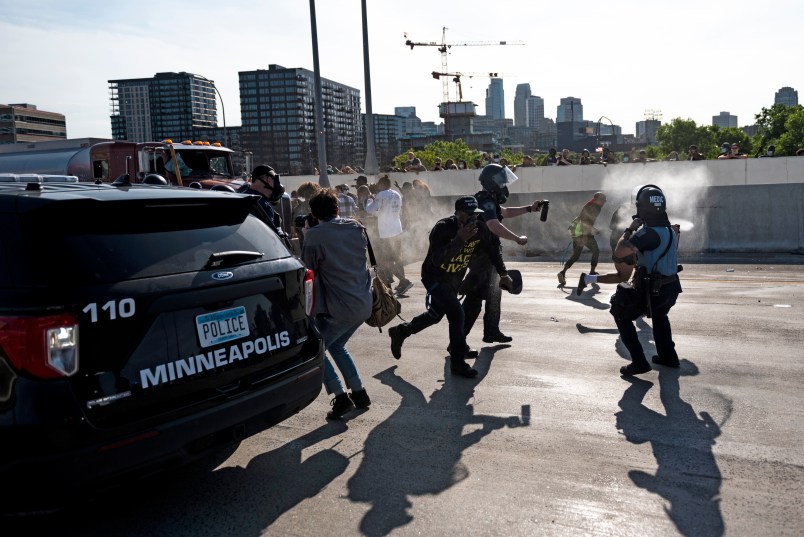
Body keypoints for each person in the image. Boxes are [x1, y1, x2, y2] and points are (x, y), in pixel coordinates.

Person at [387, 197, 514, 378]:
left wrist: (503, 273)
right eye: (469, 215)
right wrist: (459, 240)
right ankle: (458, 363)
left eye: (476, 215)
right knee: (457, 313)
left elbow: (493, 250)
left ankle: (401, 331)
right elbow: (438, 260)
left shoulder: (480, 228)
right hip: (435, 278)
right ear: (458, 214)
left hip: (454, 279)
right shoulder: (443, 228)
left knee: (435, 315)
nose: (473, 219)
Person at [301, 189, 373, 419]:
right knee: (337, 345)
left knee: (315, 349)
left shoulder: (315, 235)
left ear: (313, 214)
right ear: (337, 209)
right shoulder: (357, 227)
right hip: (364, 302)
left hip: (340, 308)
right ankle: (359, 393)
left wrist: (306, 235)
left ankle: (341, 398)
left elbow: (307, 272)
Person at [463, 163, 546, 344]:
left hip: (485, 255)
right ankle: (459, 341)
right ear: (491, 181)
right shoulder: (485, 200)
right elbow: (494, 225)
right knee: (475, 301)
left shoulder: (486, 199)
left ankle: (489, 331)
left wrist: (529, 208)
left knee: (493, 294)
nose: (503, 185)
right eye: (501, 180)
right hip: (483, 257)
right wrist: (517, 238)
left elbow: (505, 212)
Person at [611, 184, 682, 376]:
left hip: (653, 290)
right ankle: (669, 357)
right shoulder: (671, 230)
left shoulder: (647, 232)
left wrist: (629, 229)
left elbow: (620, 252)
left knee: (620, 313)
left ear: (643, 208)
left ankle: (639, 362)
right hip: (671, 288)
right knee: (660, 317)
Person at [364, 175, 413, 296]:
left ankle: (402, 281)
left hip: (386, 231)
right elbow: (385, 211)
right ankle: (400, 282)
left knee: (385, 260)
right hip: (397, 229)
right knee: (397, 258)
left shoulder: (381, 195)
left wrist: (369, 199)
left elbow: (370, 210)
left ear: (381, 185)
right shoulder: (396, 194)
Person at [576, 200, 636, 295]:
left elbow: (611, 226)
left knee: (640, 268)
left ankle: (636, 291)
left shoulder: (624, 207)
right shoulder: (632, 209)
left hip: (622, 241)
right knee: (623, 276)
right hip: (623, 242)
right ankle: (587, 278)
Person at [557, 192, 607, 286]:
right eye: (603, 201)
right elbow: (585, 221)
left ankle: (563, 272)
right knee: (596, 251)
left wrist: (593, 229)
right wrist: (585, 236)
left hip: (578, 233)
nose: (604, 203)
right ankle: (592, 273)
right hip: (584, 233)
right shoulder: (596, 207)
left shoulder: (590, 205)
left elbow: (585, 220)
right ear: (598, 200)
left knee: (576, 255)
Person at [245, 164, 287, 238]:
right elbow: (271, 238)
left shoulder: (241, 195)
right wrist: (278, 229)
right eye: (274, 179)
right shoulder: (263, 204)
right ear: (269, 180)